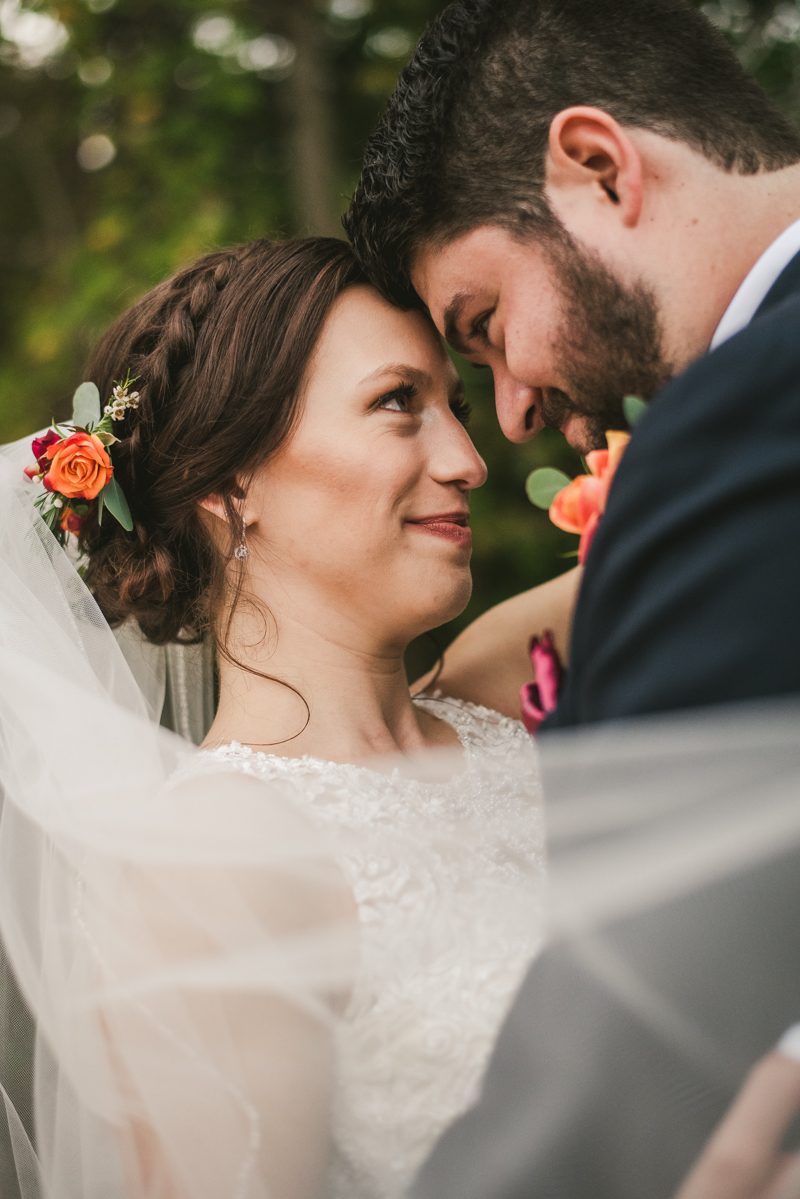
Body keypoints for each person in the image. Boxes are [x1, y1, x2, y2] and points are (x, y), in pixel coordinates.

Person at [0, 235, 567, 1199]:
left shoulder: (495, 691)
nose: (469, 461)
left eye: (456, 409)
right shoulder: (211, 862)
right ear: (231, 484)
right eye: (399, 404)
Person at [343, 0, 800, 1194]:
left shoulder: (743, 421)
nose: (508, 417)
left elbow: (638, 1029)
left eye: (485, 327)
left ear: (596, 165)